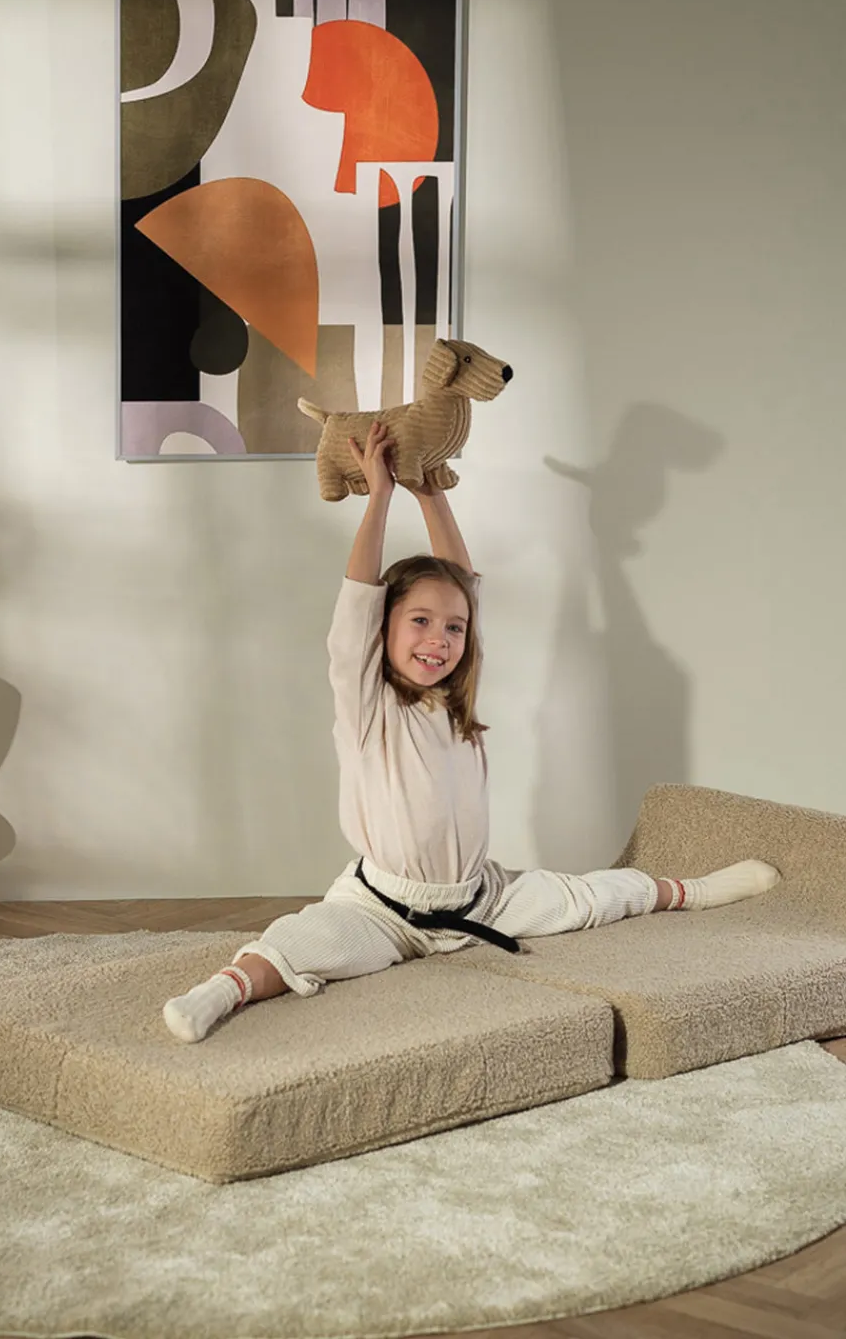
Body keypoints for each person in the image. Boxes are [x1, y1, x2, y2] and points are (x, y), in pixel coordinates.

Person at [163, 421, 779, 1043]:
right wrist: (380, 498)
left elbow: (463, 585)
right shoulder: (369, 704)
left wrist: (431, 495)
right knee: (304, 942)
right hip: (382, 910)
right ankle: (220, 991)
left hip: (481, 898)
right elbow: (357, 603)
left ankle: (692, 891)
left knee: (588, 897)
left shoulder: (455, 707)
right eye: (419, 621)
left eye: (453, 629)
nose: (439, 639)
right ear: (383, 629)